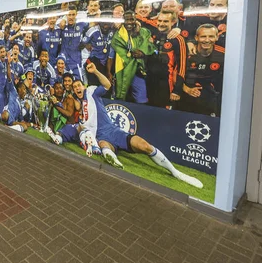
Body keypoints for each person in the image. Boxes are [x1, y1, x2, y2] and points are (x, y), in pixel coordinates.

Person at [72, 62, 203, 188]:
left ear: (84, 86)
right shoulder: (78, 107)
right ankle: (114, 162)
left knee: (144, 146)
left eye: (79, 85)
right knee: (104, 146)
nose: (77, 88)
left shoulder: (92, 93)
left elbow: (107, 85)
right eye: (75, 87)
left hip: (113, 131)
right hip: (100, 138)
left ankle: (176, 172)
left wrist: (95, 71)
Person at [111, 11, 155, 103]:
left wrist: (142, 52)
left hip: (138, 72)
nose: (130, 22)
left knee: (141, 100)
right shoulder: (117, 36)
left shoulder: (143, 32)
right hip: (123, 70)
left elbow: (149, 46)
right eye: (127, 20)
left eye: (132, 19)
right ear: (123, 20)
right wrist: (135, 54)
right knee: (121, 98)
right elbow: (123, 53)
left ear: (135, 20)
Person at [147, 10, 187, 109]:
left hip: (167, 85)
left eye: (165, 21)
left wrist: (177, 90)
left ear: (173, 22)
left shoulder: (178, 39)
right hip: (151, 82)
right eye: (159, 20)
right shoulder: (153, 34)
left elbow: (182, 66)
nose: (161, 24)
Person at [181, 24, 224, 116]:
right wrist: (187, 89)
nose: (207, 40)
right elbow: (173, 72)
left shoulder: (224, 54)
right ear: (196, 38)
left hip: (210, 99)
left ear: (217, 37)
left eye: (211, 36)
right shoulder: (186, 52)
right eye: (203, 36)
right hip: (185, 97)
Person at [59, 5, 88, 81]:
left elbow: (93, 24)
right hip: (64, 62)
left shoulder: (82, 25)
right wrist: (63, 19)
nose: (71, 17)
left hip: (76, 62)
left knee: (78, 84)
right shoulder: (61, 26)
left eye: (73, 15)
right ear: (66, 15)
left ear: (76, 15)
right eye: (69, 15)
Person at [82, 21, 115, 86]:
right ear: (99, 22)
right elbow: (81, 44)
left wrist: (108, 72)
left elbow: (111, 55)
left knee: (108, 85)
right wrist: (86, 45)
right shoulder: (92, 30)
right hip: (94, 61)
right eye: (103, 23)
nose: (105, 26)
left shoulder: (113, 31)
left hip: (107, 63)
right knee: (95, 86)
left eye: (107, 23)